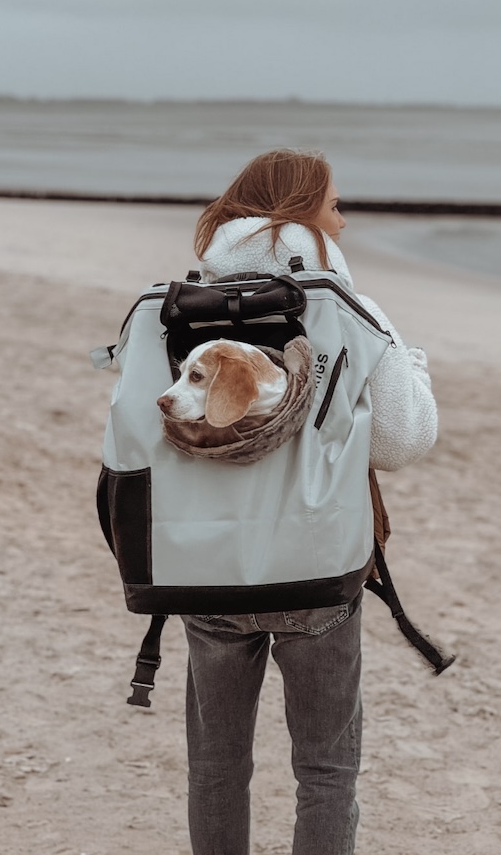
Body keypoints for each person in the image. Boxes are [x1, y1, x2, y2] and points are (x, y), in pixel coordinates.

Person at [182, 148, 438, 855]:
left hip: (208, 563)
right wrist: (412, 363)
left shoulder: (187, 306)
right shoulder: (347, 308)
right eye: (333, 206)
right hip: (315, 563)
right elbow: (401, 441)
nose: (343, 222)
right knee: (326, 773)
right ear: (300, 213)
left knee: (215, 770)